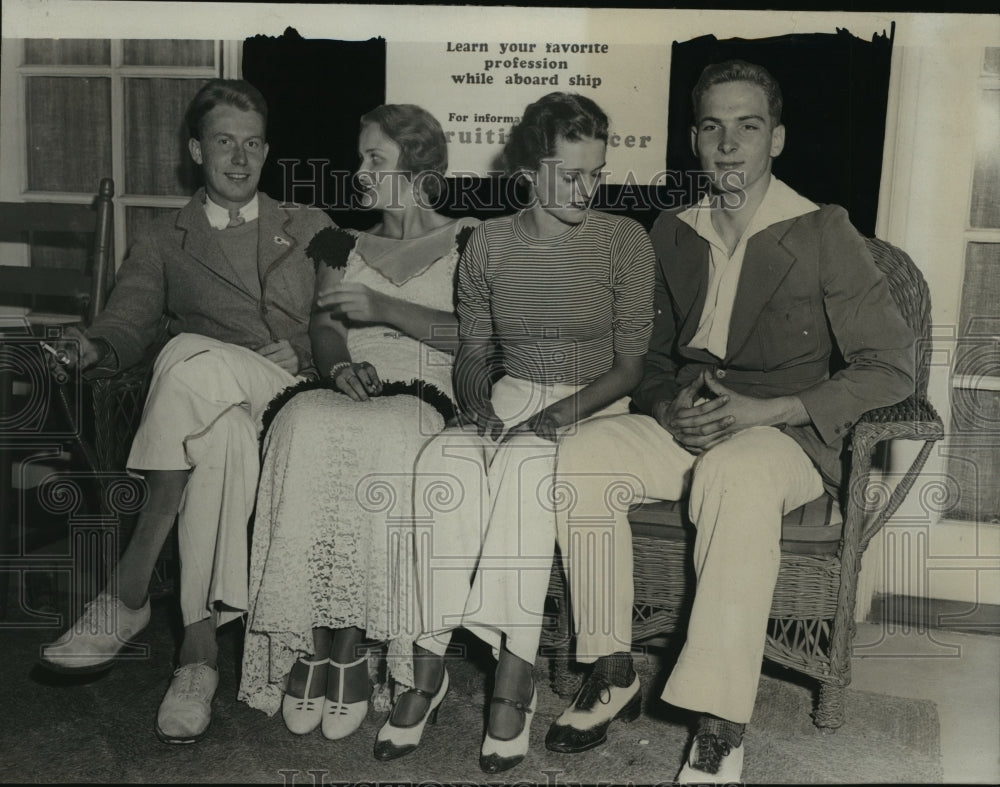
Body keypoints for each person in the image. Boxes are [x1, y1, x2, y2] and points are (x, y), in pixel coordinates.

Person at [543, 60, 916, 783]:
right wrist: (665, 407)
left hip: (784, 435)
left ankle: (719, 721)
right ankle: (611, 663)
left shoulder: (822, 230)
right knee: (582, 453)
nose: (728, 143)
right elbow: (647, 358)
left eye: (747, 126)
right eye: (712, 126)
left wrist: (769, 410)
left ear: (775, 139)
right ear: (694, 139)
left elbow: (892, 365)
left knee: (734, 471)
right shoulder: (671, 230)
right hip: (692, 422)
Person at [39, 79, 334, 745]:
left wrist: (312, 357)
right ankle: (197, 658)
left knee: (187, 351)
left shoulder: (313, 226)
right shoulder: (163, 239)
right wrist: (94, 347)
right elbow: (126, 320)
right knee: (217, 434)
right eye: (224, 142)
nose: (240, 157)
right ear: (196, 151)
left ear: (267, 151)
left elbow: (343, 321)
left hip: (296, 406)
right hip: (219, 414)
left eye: (253, 143)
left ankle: (129, 586)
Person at [372, 92, 656, 774]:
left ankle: (513, 675)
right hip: (509, 392)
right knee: (444, 458)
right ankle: (427, 664)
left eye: (597, 173)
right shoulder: (489, 243)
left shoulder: (624, 242)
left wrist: (556, 416)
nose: (586, 190)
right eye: (569, 174)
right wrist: (475, 402)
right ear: (528, 173)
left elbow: (629, 368)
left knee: (530, 470)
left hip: (589, 404)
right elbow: (473, 351)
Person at [237, 104, 478, 742]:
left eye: (375, 158)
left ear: (420, 167)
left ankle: (353, 650)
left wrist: (383, 306)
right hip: (350, 378)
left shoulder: (471, 239)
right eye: (361, 156)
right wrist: (338, 366)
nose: (360, 170)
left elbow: (477, 337)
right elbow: (324, 326)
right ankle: (313, 645)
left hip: (427, 386)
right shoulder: (338, 242)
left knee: (388, 436)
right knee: (303, 426)